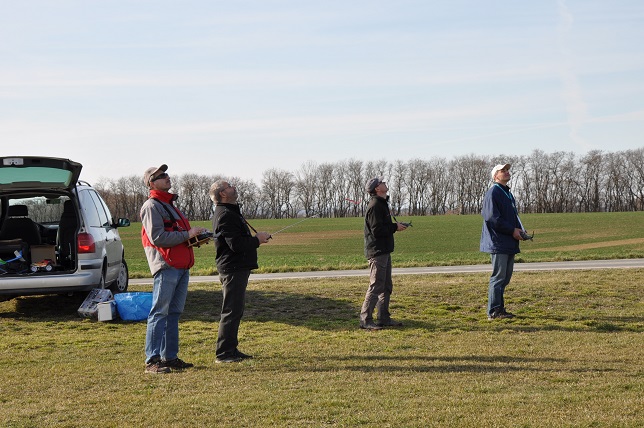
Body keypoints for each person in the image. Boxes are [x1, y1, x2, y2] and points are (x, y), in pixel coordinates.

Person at [140, 164, 206, 374]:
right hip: (166, 266)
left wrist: (196, 237)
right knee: (159, 312)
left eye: (166, 174)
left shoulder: (170, 205)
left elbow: (177, 234)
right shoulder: (151, 206)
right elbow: (158, 237)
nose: (167, 177)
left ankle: (170, 357)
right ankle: (152, 360)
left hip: (181, 265)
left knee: (174, 313)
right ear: (151, 182)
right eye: (161, 176)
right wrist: (188, 235)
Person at [209, 180, 271, 363]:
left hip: (237, 267)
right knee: (231, 310)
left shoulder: (230, 212)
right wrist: (257, 240)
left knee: (236, 310)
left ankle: (231, 349)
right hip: (232, 268)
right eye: (229, 186)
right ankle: (224, 353)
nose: (233, 187)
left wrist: (256, 239)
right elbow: (236, 245)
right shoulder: (226, 215)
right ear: (222, 194)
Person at [480, 163, 527, 320]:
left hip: (508, 241)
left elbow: (512, 217)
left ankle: (499, 309)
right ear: (495, 176)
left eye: (507, 170)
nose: (506, 172)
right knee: (499, 277)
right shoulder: (494, 192)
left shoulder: (507, 194)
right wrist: (512, 230)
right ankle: (494, 312)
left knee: (505, 278)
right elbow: (492, 218)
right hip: (498, 242)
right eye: (502, 171)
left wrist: (520, 230)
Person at [360, 177, 408, 330]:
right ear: (376, 189)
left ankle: (383, 318)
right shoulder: (375, 206)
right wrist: (395, 227)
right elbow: (377, 230)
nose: (384, 183)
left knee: (386, 285)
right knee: (376, 286)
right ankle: (365, 320)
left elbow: (382, 227)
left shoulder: (382, 204)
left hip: (384, 251)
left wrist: (395, 226)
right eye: (381, 182)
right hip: (377, 251)